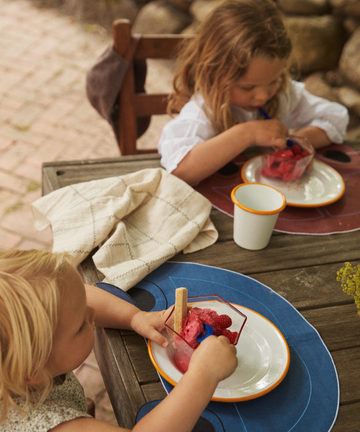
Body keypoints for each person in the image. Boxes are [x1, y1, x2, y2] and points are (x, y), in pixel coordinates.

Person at [0, 249, 237, 431]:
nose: (92, 313)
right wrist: (204, 373)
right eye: (81, 324)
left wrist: (136, 317)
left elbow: (80, 297)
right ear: (32, 371)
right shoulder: (49, 424)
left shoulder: (20, 360)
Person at [158, 0, 349, 185]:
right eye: (247, 87)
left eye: (273, 80)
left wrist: (295, 143)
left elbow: (336, 117)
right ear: (215, 76)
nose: (263, 96)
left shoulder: (283, 93)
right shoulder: (205, 109)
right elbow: (180, 169)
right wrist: (247, 134)